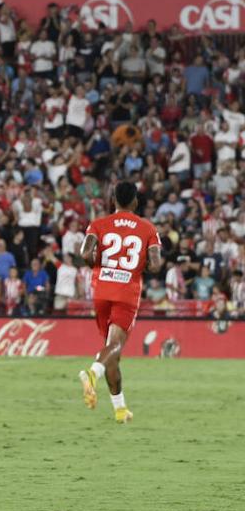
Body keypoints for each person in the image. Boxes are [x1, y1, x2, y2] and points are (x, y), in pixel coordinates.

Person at [77, 182, 162, 425]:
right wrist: (137, 267)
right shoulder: (147, 228)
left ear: (113, 200)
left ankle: (120, 409)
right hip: (127, 291)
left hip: (101, 290)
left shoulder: (98, 224)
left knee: (111, 351)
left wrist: (99, 267)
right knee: (115, 346)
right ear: (135, 201)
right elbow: (155, 264)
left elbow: (85, 253)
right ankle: (92, 374)